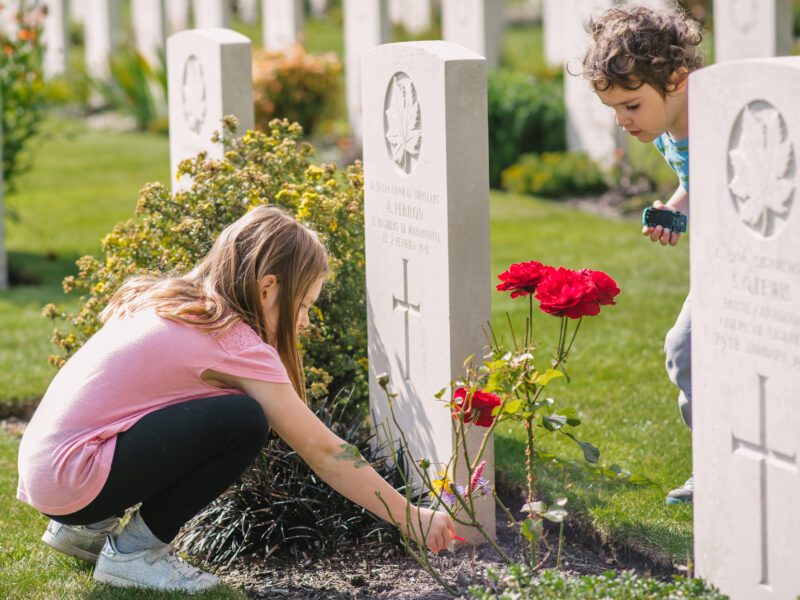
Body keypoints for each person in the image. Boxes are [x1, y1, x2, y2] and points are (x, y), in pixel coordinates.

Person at [17, 205, 454, 592]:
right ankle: (135, 554)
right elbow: (324, 451)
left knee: (214, 413)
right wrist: (407, 514)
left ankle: (85, 530)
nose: (304, 322)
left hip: (49, 471)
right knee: (244, 420)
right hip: (75, 480)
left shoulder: (169, 302)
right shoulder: (233, 342)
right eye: (303, 305)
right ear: (268, 289)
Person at [581, 5, 703, 504]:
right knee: (686, 351)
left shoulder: (719, 117)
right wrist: (677, 207)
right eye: (614, 110)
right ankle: (715, 459)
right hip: (727, 261)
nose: (623, 121)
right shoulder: (669, 127)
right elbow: (694, 181)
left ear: (676, 79)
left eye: (632, 105)